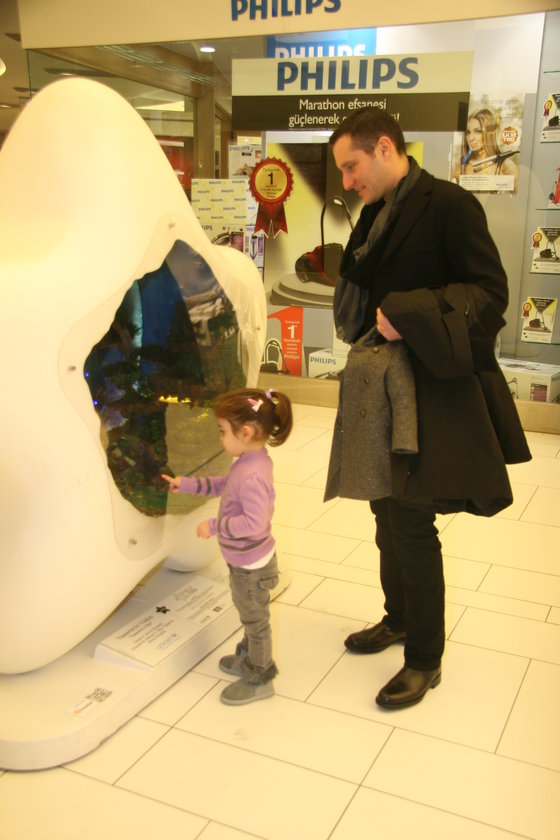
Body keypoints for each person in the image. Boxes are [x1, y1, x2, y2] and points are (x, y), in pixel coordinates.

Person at [327, 107, 531, 710]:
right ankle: (398, 617)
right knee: (383, 510)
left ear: (385, 148)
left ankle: (424, 658)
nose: (347, 181)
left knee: (412, 521)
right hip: (381, 388)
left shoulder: (449, 205)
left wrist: (409, 314)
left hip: (430, 392)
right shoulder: (376, 213)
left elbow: (491, 295)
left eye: (352, 166)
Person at [162, 387, 292, 706]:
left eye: (222, 431)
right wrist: (187, 484)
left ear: (245, 432)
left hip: (252, 567)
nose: (220, 438)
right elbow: (224, 484)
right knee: (250, 615)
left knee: (256, 622)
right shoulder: (248, 461)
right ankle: (248, 658)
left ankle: (260, 676)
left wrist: (215, 526)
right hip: (245, 562)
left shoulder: (253, 475)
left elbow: (254, 523)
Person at [451, 108, 518, 191]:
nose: (471, 138)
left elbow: (517, 197)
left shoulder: (506, 166)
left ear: (489, 134)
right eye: (468, 132)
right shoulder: (458, 165)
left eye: (478, 131)